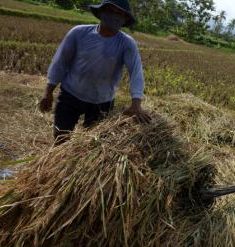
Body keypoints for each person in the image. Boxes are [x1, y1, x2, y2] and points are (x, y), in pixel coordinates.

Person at [39, 0, 151, 144]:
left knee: (92, 145)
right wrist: (48, 92)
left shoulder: (126, 43)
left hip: (102, 101)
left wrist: (136, 104)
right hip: (70, 94)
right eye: (111, 11)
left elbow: (136, 72)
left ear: (124, 20)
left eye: (120, 14)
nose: (115, 16)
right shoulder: (79, 33)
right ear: (101, 12)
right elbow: (60, 62)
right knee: (61, 138)